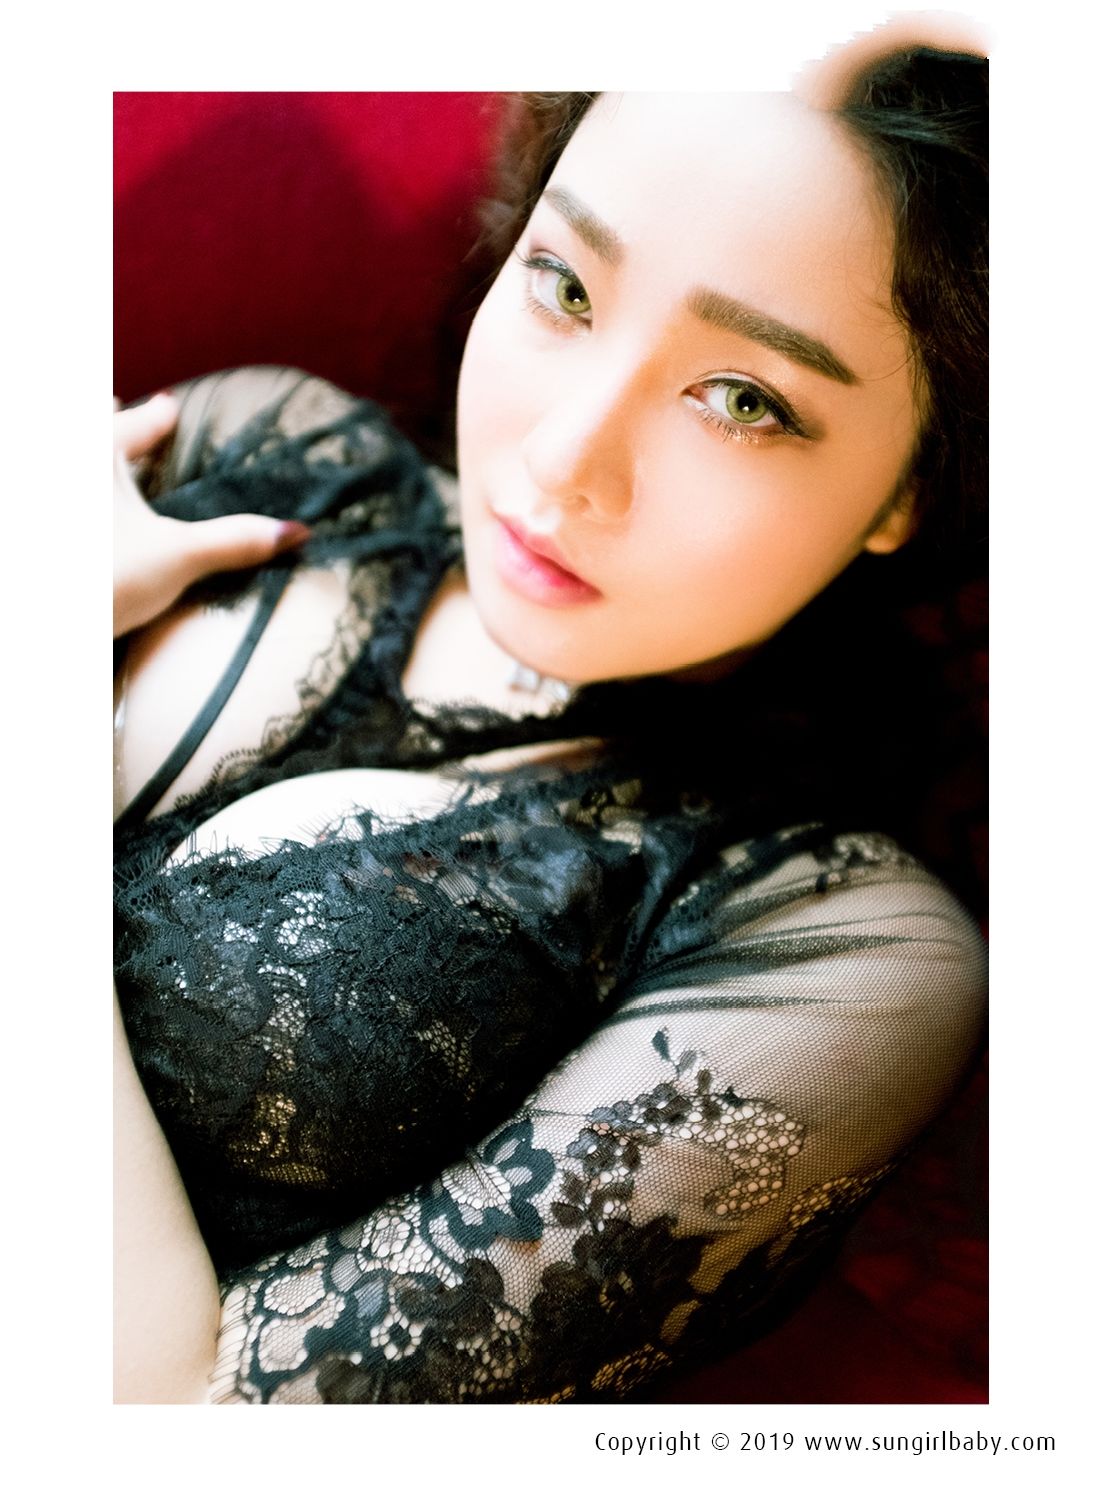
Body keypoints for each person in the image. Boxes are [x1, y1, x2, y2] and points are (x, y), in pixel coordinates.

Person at [113, 29, 988, 1404]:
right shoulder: (268, 448)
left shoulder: (832, 947)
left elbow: (179, 1428)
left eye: (743, 400)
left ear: (913, 486)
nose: (563, 456)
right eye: (566, 285)